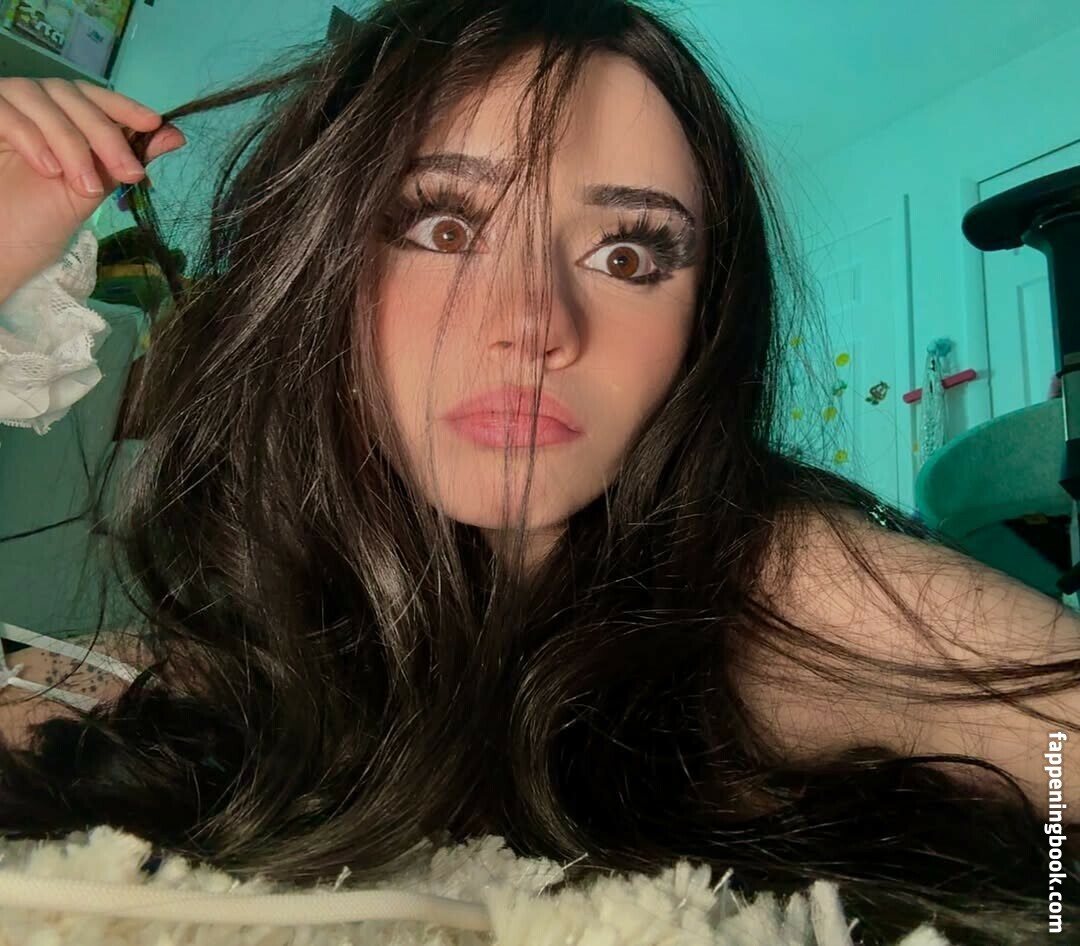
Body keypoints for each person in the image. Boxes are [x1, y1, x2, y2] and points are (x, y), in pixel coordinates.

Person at [0, 1, 1076, 942]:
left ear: (704, 326)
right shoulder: (215, 642)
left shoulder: (785, 591)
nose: (535, 322)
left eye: (629, 255)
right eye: (444, 224)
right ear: (318, 266)